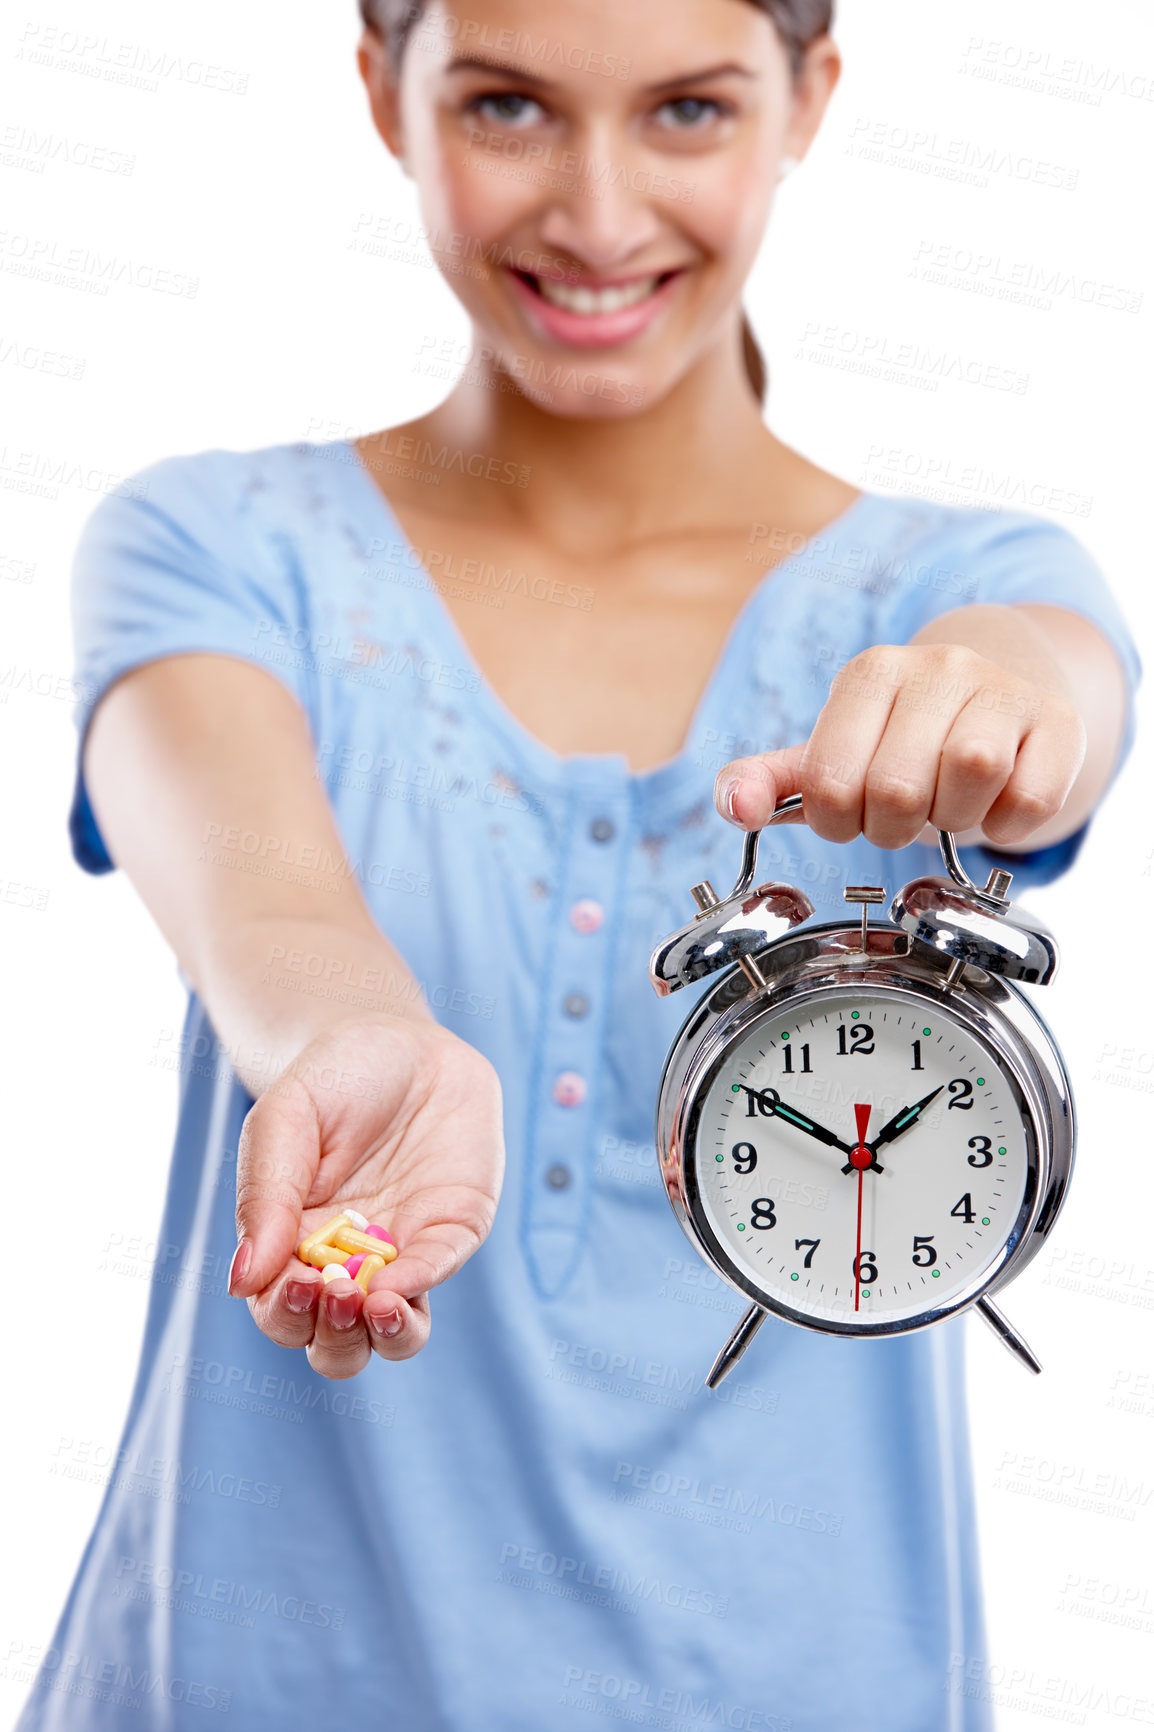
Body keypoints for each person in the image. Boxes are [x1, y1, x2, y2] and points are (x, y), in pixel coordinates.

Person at [20, 0, 1140, 1727]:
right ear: (384, 92)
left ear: (809, 99)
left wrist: (991, 694)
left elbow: (1052, 690)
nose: (599, 214)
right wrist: (345, 1041)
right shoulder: (209, 546)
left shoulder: (968, 580)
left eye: (687, 110)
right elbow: (253, 883)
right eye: (508, 106)